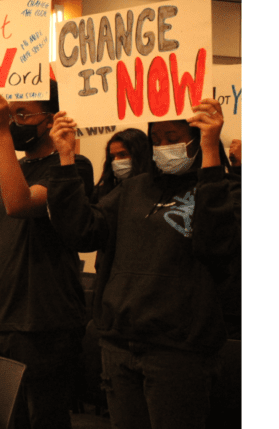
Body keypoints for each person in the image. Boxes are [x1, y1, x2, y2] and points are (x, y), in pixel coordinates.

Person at [45, 99, 240, 429]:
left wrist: (210, 158)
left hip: (179, 351)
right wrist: (66, 159)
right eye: (157, 139)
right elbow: (82, 232)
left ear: (197, 138)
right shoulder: (133, 189)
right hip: (120, 345)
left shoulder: (225, 189)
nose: (164, 147)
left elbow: (217, 244)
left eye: (173, 137)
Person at [0, 80, 94, 429]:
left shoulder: (73, 167)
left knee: (45, 419)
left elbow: (21, 204)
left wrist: (2, 132)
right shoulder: (14, 169)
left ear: (49, 120)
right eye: (11, 113)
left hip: (42, 323)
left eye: (22, 114)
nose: (14, 120)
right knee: (1, 419)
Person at [91, 128, 153, 204]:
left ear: (140, 155)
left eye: (123, 155)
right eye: (112, 157)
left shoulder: (156, 191)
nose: (116, 161)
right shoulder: (105, 192)